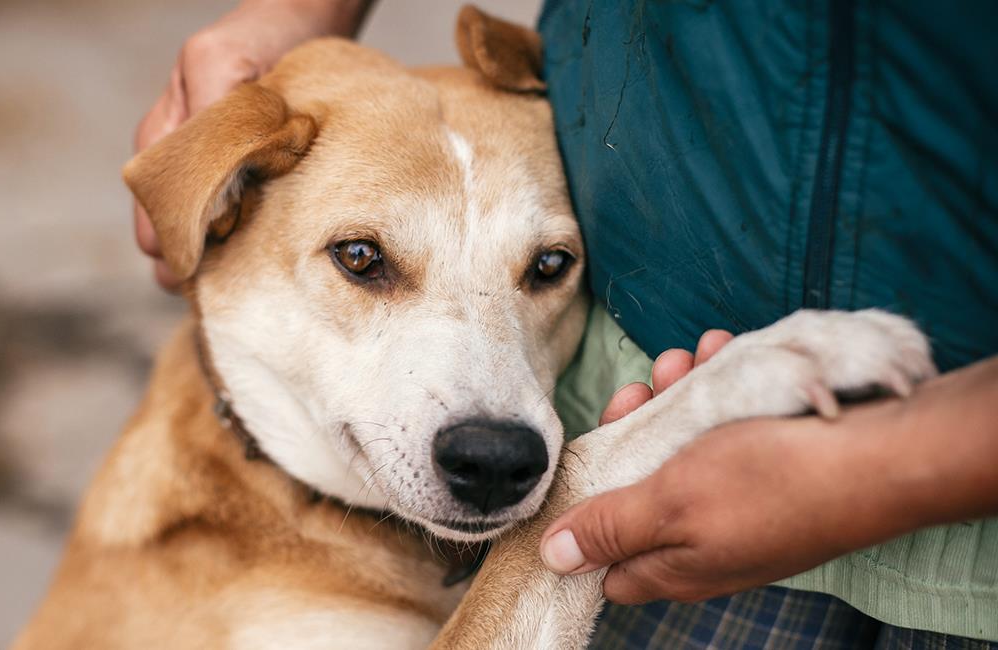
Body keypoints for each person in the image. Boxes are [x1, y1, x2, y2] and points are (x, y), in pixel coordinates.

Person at [131, 1, 998, 646]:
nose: (487, 421)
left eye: (544, 267)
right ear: (225, 204)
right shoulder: (178, 572)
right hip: (672, 445)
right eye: (365, 261)